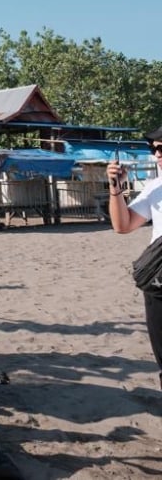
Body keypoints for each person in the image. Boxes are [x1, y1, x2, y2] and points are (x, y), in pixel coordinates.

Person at [107, 125, 162, 390]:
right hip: (158, 279)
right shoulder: (156, 187)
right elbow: (123, 225)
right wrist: (116, 189)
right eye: (155, 148)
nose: (158, 153)